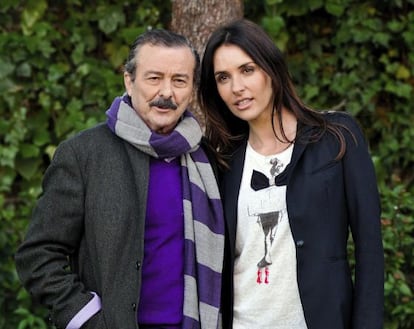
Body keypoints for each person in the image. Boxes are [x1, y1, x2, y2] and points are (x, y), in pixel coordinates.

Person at [15, 29, 225, 329]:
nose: (166, 92)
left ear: (192, 88)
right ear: (129, 80)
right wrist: (86, 319)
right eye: (154, 78)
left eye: (179, 80)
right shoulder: (84, 154)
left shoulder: (206, 159)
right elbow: (37, 254)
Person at [198, 19, 384, 329]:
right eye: (223, 77)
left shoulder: (336, 138)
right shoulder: (221, 161)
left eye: (247, 70)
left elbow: (370, 251)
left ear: (271, 68)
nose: (237, 88)